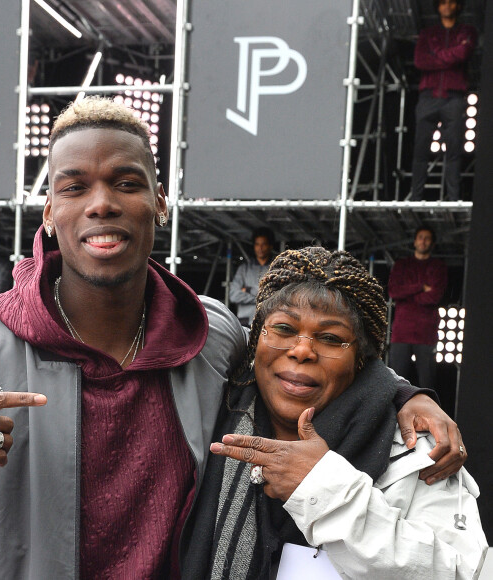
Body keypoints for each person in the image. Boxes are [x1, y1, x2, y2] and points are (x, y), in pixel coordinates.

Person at [0, 97, 465, 579]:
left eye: (126, 183)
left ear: (159, 203)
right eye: (75, 186)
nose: (101, 202)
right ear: (50, 212)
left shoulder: (212, 334)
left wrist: (403, 393)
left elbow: (305, 357)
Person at [184, 247, 486, 579]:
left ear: (362, 359)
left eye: (330, 338)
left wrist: (325, 491)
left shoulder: (419, 452)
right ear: (258, 337)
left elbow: (464, 573)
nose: (301, 350)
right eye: (284, 329)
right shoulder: (207, 405)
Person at [410, 0, 477, 201]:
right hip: (428, 96)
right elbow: (420, 61)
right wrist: (450, 57)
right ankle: (416, 198)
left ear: (458, 6)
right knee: (421, 149)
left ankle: (454, 198)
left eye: (451, 2)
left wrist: (436, 55)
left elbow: (464, 52)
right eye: (443, 3)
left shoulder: (467, 31)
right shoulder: (427, 34)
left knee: (454, 150)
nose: (447, 6)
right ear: (437, 7)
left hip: (454, 97)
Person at [388, 226, 448, 390]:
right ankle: (393, 416)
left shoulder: (438, 267)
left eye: (427, 238)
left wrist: (407, 294)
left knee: (427, 383)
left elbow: (434, 296)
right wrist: (421, 286)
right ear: (414, 241)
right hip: (401, 332)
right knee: (396, 383)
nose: (423, 241)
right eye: (420, 237)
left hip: (425, 333)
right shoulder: (401, 265)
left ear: (432, 244)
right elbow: (394, 291)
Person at [230, 227, 275, 326]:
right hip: (245, 322)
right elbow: (233, 295)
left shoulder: (276, 269)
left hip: (268, 321)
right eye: (257, 244)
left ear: (270, 246)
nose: (260, 248)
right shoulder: (244, 269)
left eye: (264, 244)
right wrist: (261, 297)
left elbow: (276, 295)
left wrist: (248, 290)